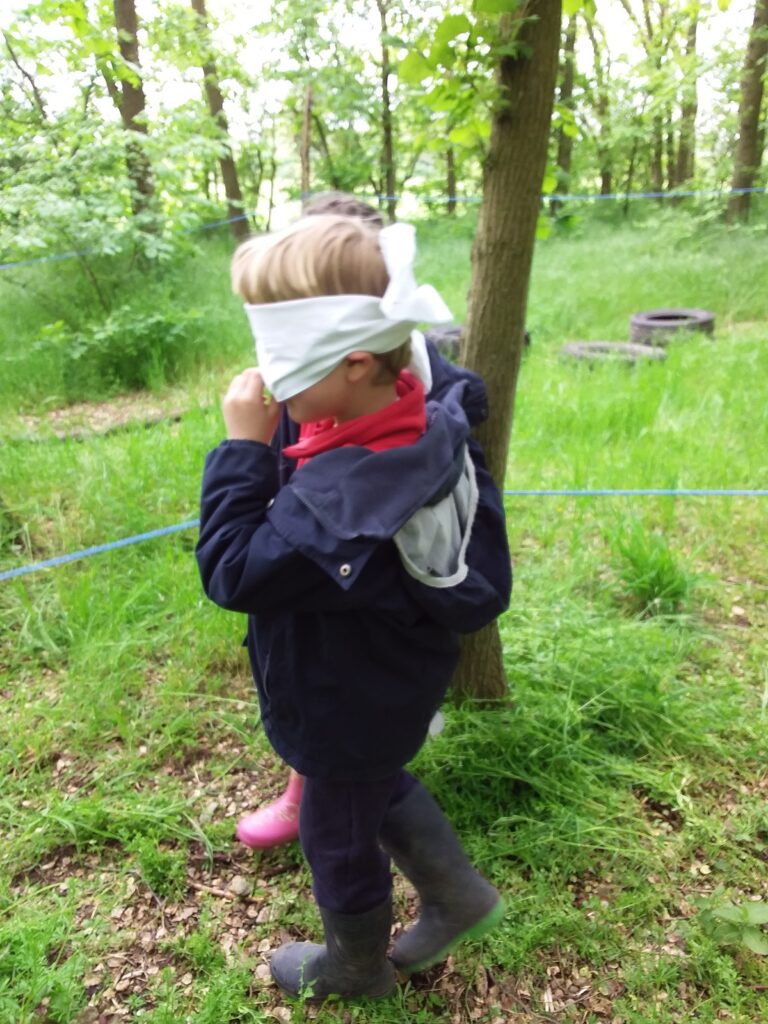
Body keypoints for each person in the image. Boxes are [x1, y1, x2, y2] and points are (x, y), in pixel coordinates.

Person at [196, 214, 512, 999]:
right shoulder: (417, 401)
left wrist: (242, 449)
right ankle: (457, 893)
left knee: (334, 834)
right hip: (387, 684)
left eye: (278, 360)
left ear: (355, 362)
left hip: (344, 697)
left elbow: (234, 571)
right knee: (374, 779)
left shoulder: (350, 503)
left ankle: (356, 969)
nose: (264, 379)